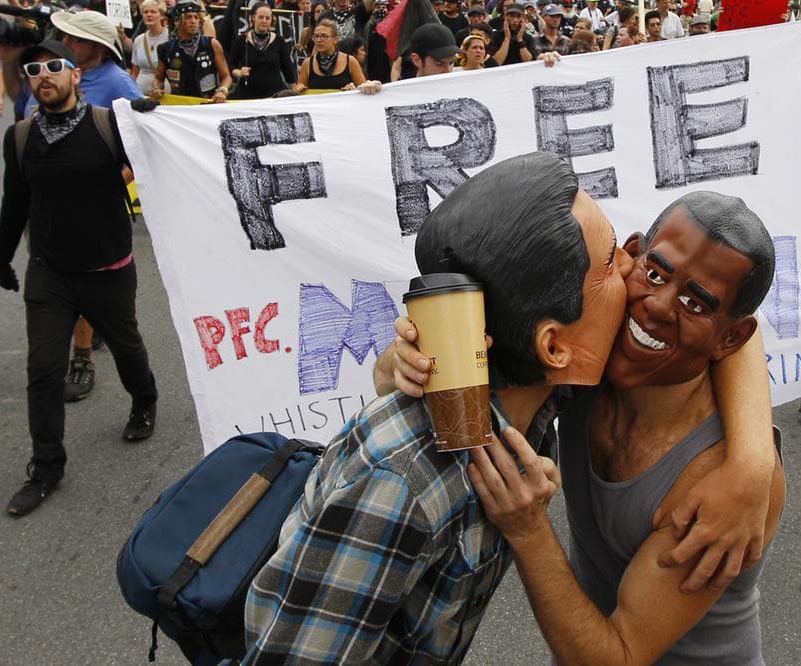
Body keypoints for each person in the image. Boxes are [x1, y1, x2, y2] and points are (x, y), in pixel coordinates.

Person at [242, 151, 634, 663]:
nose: (631, 263)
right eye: (609, 264)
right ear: (554, 348)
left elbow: (711, 309)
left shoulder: (538, 396)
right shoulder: (400, 482)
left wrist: (751, 456)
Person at [466, 192, 784, 664]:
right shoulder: (591, 352)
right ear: (629, 256)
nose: (658, 305)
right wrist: (406, 363)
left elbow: (620, 656)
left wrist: (529, 529)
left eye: (695, 305)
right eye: (655, 274)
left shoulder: (716, 483)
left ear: (730, 338)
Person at [0, 40, 158, 517]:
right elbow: (15, 203)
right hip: (49, 274)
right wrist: (2, 257)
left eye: (54, 67)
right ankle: (47, 467)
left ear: (74, 76)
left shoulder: (111, 126)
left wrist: (155, 120)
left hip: (108, 271)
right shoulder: (21, 137)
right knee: (43, 370)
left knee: (127, 348)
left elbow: (163, 159)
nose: (43, 75)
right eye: (33, 69)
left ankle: (144, 400)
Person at [19, 10, 145, 404]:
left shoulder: (117, 83)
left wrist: (107, 182)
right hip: (47, 210)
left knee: (86, 281)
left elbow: (143, 145)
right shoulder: (48, 71)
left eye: (73, 39)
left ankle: (83, 359)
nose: (64, 43)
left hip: (95, 216)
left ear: (94, 47)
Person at [152, 1, 233, 102]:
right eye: (188, 17)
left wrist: (222, 90)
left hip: (208, 104)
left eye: (196, 17)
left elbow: (226, 77)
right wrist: (156, 88)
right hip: (180, 106)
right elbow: (158, 78)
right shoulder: (166, 49)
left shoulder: (211, 44)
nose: (193, 21)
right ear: (178, 21)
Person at [227, 2, 297, 98]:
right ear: (252, 18)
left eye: (267, 18)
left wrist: (295, 93)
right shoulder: (241, 40)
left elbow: (288, 70)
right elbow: (231, 66)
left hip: (274, 97)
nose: (264, 21)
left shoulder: (279, 40)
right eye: (261, 17)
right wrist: (239, 73)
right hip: (248, 96)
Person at [294, 19, 372, 91]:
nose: (319, 40)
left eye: (324, 36)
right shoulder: (307, 64)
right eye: (316, 36)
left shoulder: (350, 61)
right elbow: (299, 95)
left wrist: (353, 89)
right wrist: (298, 88)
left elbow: (364, 90)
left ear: (335, 39)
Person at [130, 0, 170, 95]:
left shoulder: (171, 38)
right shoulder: (139, 40)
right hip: (141, 95)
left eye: (153, 12)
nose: (149, 15)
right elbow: (135, 72)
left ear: (162, 15)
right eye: (145, 12)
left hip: (163, 94)